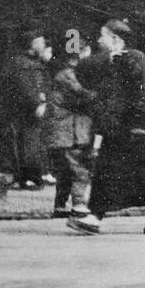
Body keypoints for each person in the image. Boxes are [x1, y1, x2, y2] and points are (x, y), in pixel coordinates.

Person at [68, 19, 145, 236]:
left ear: (115, 38)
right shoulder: (113, 61)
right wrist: (108, 56)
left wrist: (139, 124)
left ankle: (104, 219)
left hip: (137, 128)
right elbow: (82, 71)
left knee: (139, 175)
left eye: (102, 35)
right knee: (122, 173)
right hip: (124, 128)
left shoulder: (137, 59)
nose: (98, 39)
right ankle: (102, 219)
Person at [41, 46, 95, 218]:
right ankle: (78, 204)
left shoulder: (62, 75)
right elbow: (85, 95)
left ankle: (60, 205)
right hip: (69, 131)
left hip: (63, 131)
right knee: (78, 168)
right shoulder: (69, 76)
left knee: (65, 171)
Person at [1, 28, 53, 190]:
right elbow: (25, 87)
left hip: (38, 108)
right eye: (41, 42)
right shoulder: (21, 63)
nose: (44, 45)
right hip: (26, 110)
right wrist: (37, 103)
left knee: (35, 142)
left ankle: (37, 175)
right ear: (33, 44)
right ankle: (29, 178)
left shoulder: (36, 63)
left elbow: (44, 84)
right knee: (28, 143)